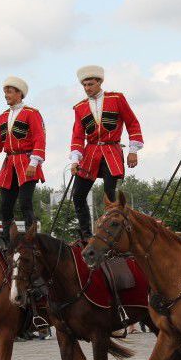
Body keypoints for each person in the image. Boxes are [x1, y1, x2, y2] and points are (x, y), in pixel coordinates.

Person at [70, 65, 143, 239]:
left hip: (111, 151)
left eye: (90, 84)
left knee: (110, 196)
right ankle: (86, 235)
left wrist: (133, 150)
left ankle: (112, 236)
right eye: (85, 85)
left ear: (99, 82)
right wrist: (75, 160)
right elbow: (78, 136)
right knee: (78, 195)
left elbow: (132, 123)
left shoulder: (117, 98)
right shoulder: (79, 108)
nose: (87, 88)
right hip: (90, 154)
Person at [0, 77, 46, 249]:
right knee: (5, 205)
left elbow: (39, 138)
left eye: (9, 92)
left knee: (25, 203)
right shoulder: (2, 116)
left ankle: (31, 240)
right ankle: (6, 241)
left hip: (26, 163)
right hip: (9, 164)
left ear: (20, 93)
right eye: (5, 92)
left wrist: (34, 163)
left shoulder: (32, 113)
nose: (6, 95)